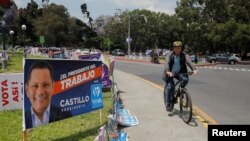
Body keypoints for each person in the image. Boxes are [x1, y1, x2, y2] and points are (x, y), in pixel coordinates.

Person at [25, 60, 72, 129]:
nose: (40, 92)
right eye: (35, 86)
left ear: (53, 87)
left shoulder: (66, 115)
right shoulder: (22, 121)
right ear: (27, 90)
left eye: (45, 85)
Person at [163, 41, 198, 112]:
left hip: (180, 73)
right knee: (169, 87)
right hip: (170, 73)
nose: (178, 49)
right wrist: (167, 71)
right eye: (176, 48)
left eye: (179, 48)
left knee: (184, 80)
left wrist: (194, 69)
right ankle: (168, 104)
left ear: (181, 48)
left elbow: (189, 62)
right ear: (173, 48)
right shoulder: (170, 54)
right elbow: (166, 62)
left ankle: (180, 92)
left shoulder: (184, 55)